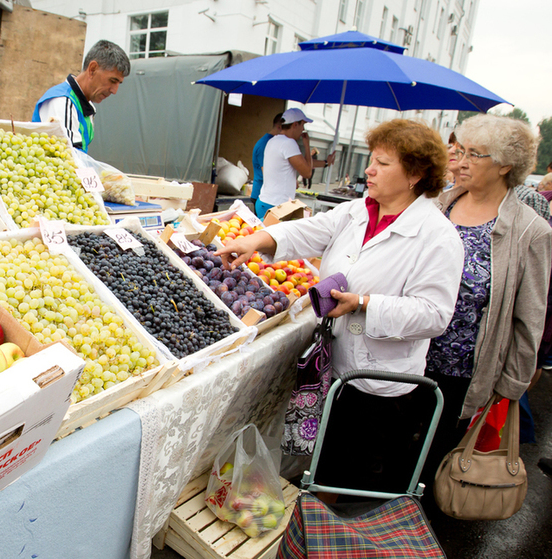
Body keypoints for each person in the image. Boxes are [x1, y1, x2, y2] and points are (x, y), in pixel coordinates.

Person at [217, 119, 464, 493]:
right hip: (336, 366)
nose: (369, 169)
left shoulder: (437, 237)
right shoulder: (358, 212)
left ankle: (340, 533)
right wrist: (258, 240)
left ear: (415, 174)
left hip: (379, 384)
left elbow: (434, 315)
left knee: (356, 476)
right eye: (372, 159)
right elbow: (308, 231)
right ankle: (318, 524)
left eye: (382, 163)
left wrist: (363, 304)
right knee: (325, 463)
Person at [422, 114, 552, 492]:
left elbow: (531, 317)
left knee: (435, 463)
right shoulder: (437, 205)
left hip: (463, 372)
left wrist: (511, 387)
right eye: (459, 151)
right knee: (390, 453)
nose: (459, 162)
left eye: (474, 155)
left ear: (505, 166)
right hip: (407, 354)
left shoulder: (531, 231)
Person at [32, 40, 130, 153]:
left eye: (119, 83)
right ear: (92, 69)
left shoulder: (86, 105)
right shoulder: (62, 102)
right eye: (112, 81)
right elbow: (71, 160)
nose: (114, 91)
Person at [255, 108, 335, 219]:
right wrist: (307, 145)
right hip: (276, 206)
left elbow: (301, 163)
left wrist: (326, 163)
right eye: (303, 125)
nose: (303, 130)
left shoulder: (273, 141)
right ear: (295, 124)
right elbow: (307, 172)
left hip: (265, 201)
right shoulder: (289, 143)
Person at [250, 113, 283, 207]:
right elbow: (267, 172)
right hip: (261, 196)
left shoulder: (271, 142)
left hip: (265, 196)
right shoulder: (266, 144)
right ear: (279, 127)